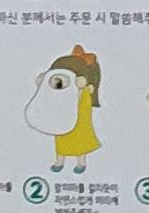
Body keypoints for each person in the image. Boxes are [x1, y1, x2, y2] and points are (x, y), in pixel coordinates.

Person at [25, 44, 103, 172]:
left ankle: (81, 163)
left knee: (79, 141)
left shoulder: (85, 92)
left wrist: (81, 91)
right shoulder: (58, 90)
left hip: (78, 125)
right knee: (61, 139)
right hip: (61, 121)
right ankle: (59, 161)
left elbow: (83, 107)